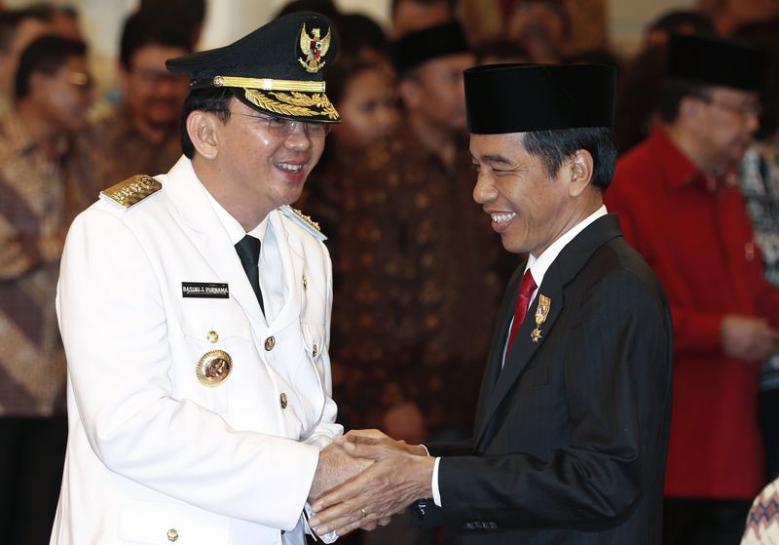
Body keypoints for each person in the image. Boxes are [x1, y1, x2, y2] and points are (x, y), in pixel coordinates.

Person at [310, 62, 674, 544]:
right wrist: (414, 461)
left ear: (576, 170)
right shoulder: (535, 275)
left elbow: (605, 480)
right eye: (478, 168)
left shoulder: (615, 289)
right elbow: (518, 448)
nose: (481, 191)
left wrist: (429, 479)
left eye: (501, 169)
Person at [50, 12, 371, 545]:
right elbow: (129, 427)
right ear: (205, 131)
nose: (301, 143)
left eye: (314, 124)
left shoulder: (307, 248)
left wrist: (348, 486)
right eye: (276, 122)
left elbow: (309, 412)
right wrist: (310, 475)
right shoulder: (120, 233)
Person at [605, 34, 779, 545]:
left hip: (732, 444)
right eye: (742, 110)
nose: (753, 125)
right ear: (691, 108)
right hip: (667, 448)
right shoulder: (628, 186)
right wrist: (717, 333)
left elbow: (749, 293)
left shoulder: (723, 186)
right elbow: (618, 316)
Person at [0, 34, 94, 545]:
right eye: (77, 83)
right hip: (3, 379)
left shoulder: (78, 156)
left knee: (39, 527)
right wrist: (55, 243)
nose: (89, 96)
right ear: (37, 82)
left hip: (59, 385)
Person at [90, 10, 191, 186]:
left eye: (175, 78)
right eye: (152, 77)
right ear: (123, 74)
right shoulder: (91, 143)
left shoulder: (206, 141)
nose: (165, 91)